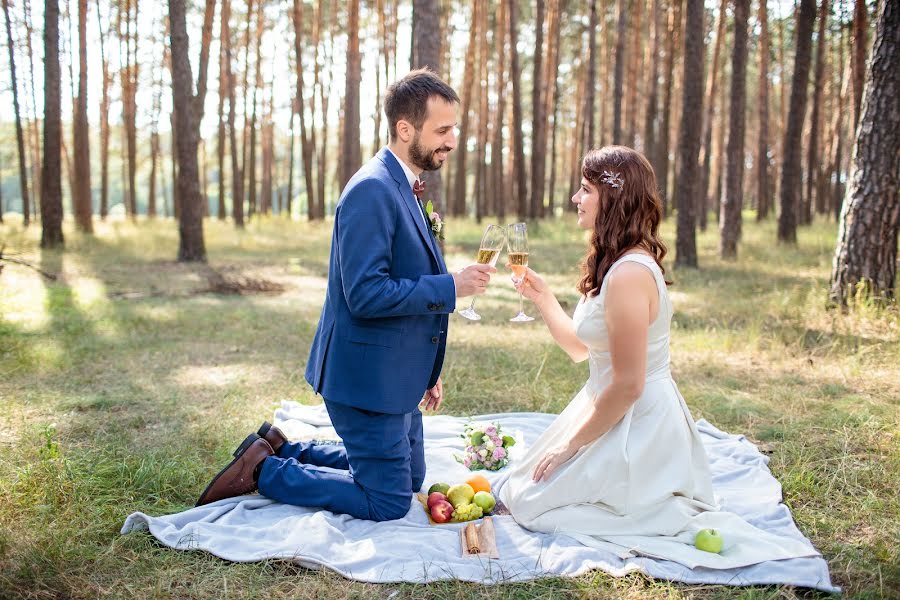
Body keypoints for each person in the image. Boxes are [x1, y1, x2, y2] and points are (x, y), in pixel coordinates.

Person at [196, 69, 496, 521]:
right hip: (364, 379)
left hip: (395, 373)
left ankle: (285, 446)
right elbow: (365, 294)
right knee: (391, 501)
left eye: (454, 128)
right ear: (405, 129)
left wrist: (425, 371)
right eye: (442, 129)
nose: (452, 140)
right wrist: (451, 286)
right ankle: (265, 471)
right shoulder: (373, 190)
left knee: (411, 479)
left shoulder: (407, 186)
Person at [498, 146, 816, 567]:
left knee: (531, 506)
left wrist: (570, 448)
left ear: (612, 200)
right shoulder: (615, 264)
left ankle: (653, 502)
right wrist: (543, 298)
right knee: (518, 489)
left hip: (638, 421)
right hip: (606, 404)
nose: (576, 198)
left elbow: (630, 384)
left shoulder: (629, 274)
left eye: (584, 189)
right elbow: (580, 349)